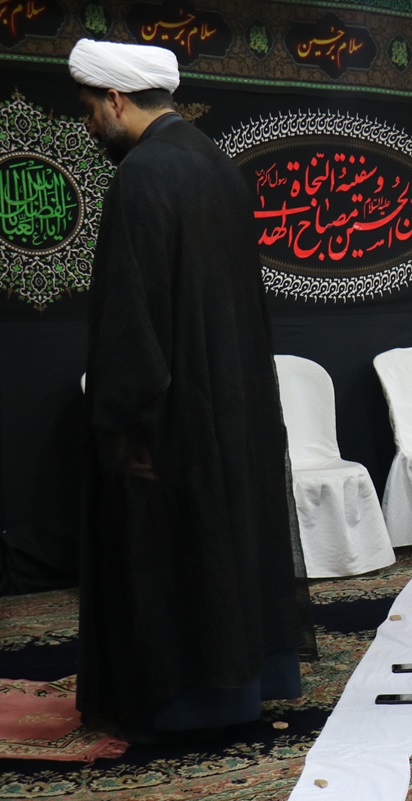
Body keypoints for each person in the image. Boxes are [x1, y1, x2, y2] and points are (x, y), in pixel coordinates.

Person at [69, 39, 312, 743]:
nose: (90, 127)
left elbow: (130, 320)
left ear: (116, 101)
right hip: (232, 406)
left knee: (173, 555)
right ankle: (247, 686)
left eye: (91, 111)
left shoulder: (143, 176)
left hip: (171, 417)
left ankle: (182, 707)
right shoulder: (217, 166)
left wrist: (125, 425)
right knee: (227, 543)